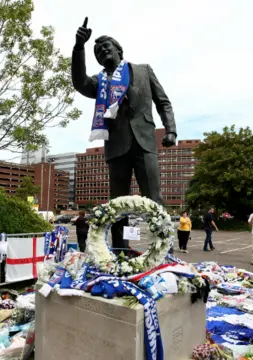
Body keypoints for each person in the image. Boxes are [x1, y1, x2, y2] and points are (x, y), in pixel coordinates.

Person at [72, 18, 177, 254]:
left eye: (105, 47)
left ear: (119, 50)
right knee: (118, 204)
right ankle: (121, 250)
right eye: (97, 51)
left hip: (144, 142)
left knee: (154, 198)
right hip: (116, 147)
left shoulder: (142, 70)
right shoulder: (99, 82)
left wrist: (170, 129)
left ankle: (164, 251)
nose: (101, 52)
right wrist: (79, 47)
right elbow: (79, 82)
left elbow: (163, 102)